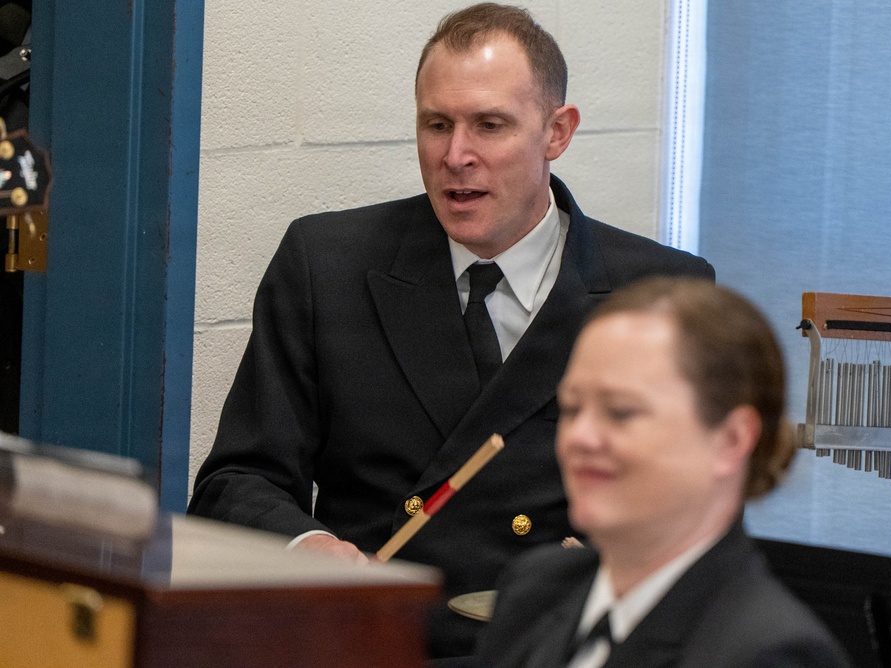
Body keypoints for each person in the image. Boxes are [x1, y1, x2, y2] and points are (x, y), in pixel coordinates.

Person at [188, 3, 713, 659]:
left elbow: (698, 514)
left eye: (489, 126)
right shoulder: (327, 266)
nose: (455, 156)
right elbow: (235, 482)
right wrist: (311, 548)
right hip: (372, 642)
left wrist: (629, 554)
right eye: (436, 125)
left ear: (557, 132)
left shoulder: (663, 296)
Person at [476, 277, 852, 667]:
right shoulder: (534, 590)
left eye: (621, 411)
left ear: (731, 441)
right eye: (571, 409)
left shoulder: (767, 653)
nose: (579, 438)